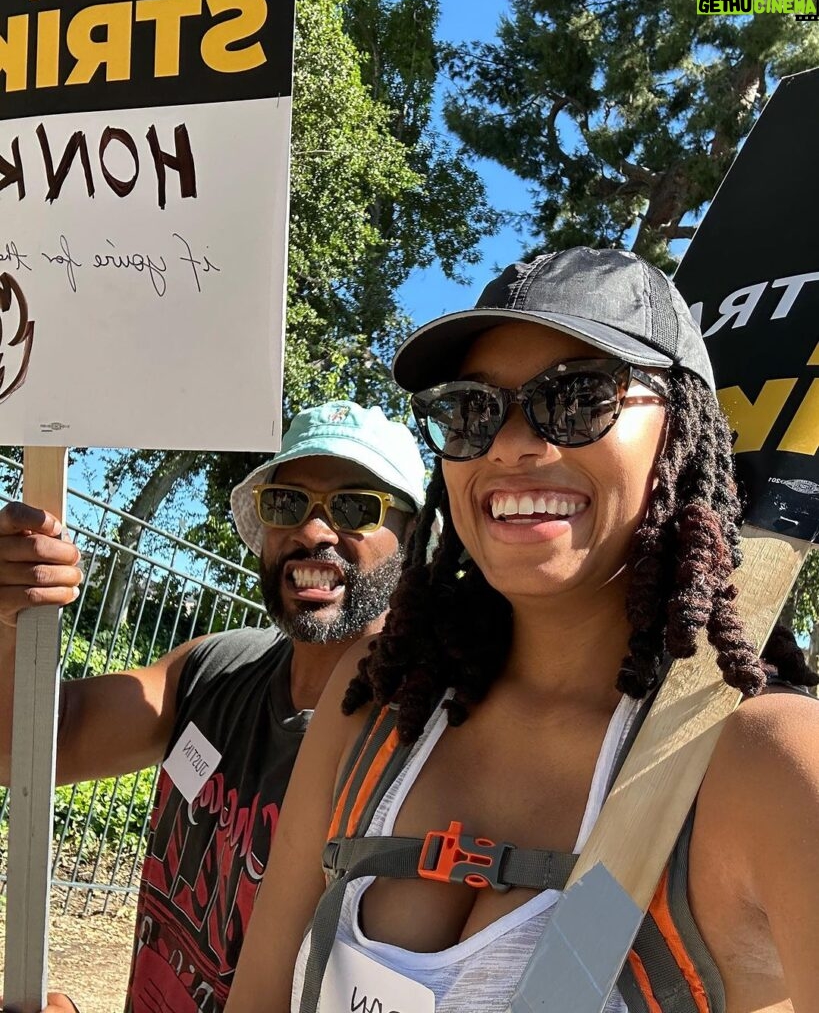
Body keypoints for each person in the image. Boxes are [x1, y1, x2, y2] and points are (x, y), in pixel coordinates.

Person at [224, 247, 819, 1013]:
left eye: (576, 398)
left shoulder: (767, 764)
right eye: (470, 409)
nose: (510, 443)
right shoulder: (378, 698)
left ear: (679, 433)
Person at [0, 400, 426, 1013]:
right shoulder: (215, 670)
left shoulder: (423, 753)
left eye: (356, 507)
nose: (313, 531)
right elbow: (29, 746)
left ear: (413, 541)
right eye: (286, 503)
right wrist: (10, 623)